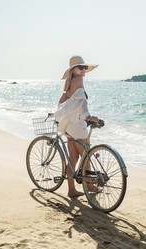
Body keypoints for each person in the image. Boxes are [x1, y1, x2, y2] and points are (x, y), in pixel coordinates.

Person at [54, 55, 100, 198]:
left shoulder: (69, 83)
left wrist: (63, 114)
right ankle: (90, 185)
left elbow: (61, 103)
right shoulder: (78, 80)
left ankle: (71, 190)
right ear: (73, 69)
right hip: (78, 125)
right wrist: (88, 117)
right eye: (81, 67)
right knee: (86, 154)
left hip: (69, 125)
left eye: (85, 67)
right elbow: (81, 102)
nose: (84, 70)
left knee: (73, 159)